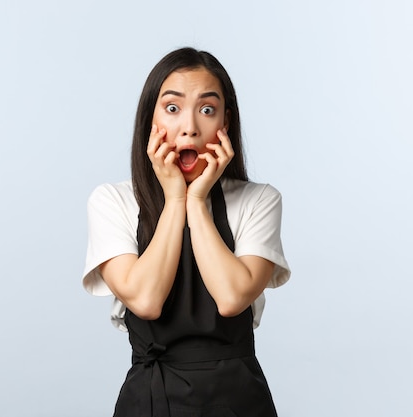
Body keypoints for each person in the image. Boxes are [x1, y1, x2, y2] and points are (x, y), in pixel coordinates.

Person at [82, 47, 291, 417]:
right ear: (151, 119)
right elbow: (145, 301)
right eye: (173, 108)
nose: (190, 127)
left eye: (207, 109)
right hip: (150, 400)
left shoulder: (259, 201)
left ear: (226, 122)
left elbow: (231, 298)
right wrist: (175, 199)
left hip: (239, 401)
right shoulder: (113, 201)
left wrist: (197, 203)